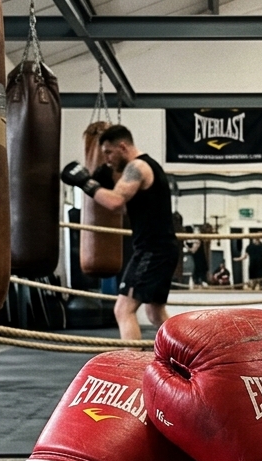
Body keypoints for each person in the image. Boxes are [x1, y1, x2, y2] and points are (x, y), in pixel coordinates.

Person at [61, 126, 180, 342]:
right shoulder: (148, 166)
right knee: (155, 314)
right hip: (161, 248)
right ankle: (189, 353)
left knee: (123, 309)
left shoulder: (137, 166)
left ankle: (130, 368)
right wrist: (103, 187)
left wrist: (86, 183)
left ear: (122, 147)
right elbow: (126, 208)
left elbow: (115, 202)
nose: (106, 159)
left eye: (108, 152)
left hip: (152, 251)